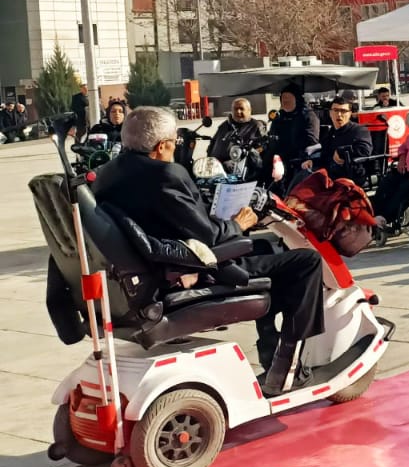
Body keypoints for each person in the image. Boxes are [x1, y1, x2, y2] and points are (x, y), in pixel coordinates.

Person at [94, 106, 324, 395]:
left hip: (146, 267)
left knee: (268, 247)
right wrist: (238, 224)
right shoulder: (165, 175)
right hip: (193, 267)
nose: (175, 148)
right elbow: (209, 235)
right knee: (307, 262)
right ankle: (288, 367)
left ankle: (271, 354)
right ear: (162, 145)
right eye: (175, 143)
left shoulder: (106, 174)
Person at [308, 97, 373, 178]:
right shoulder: (330, 133)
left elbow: (365, 150)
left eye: (343, 111)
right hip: (329, 176)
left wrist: (341, 152)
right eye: (335, 110)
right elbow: (325, 157)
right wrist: (312, 162)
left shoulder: (359, 130)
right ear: (330, 113)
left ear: (350, 114)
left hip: (350, 176)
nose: (339, 114)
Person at [267, 81, 320, 176]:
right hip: (278, 157)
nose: (285, 101)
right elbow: (272, 136)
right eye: (283, 98)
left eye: (288, 98)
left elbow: (311, 140)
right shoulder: (279, 116)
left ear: (297, 99)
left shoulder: (308, 115)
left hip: (299, 157)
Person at [212, 97, 270, 179]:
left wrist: (247, 153)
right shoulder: (224, 126)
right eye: (235, 109)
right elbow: (213, 143)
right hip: (216, 167)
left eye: (241, 109)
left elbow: (261, 149)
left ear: (249, 110)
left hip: (241, 170)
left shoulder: (256, 126)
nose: (238, 112)